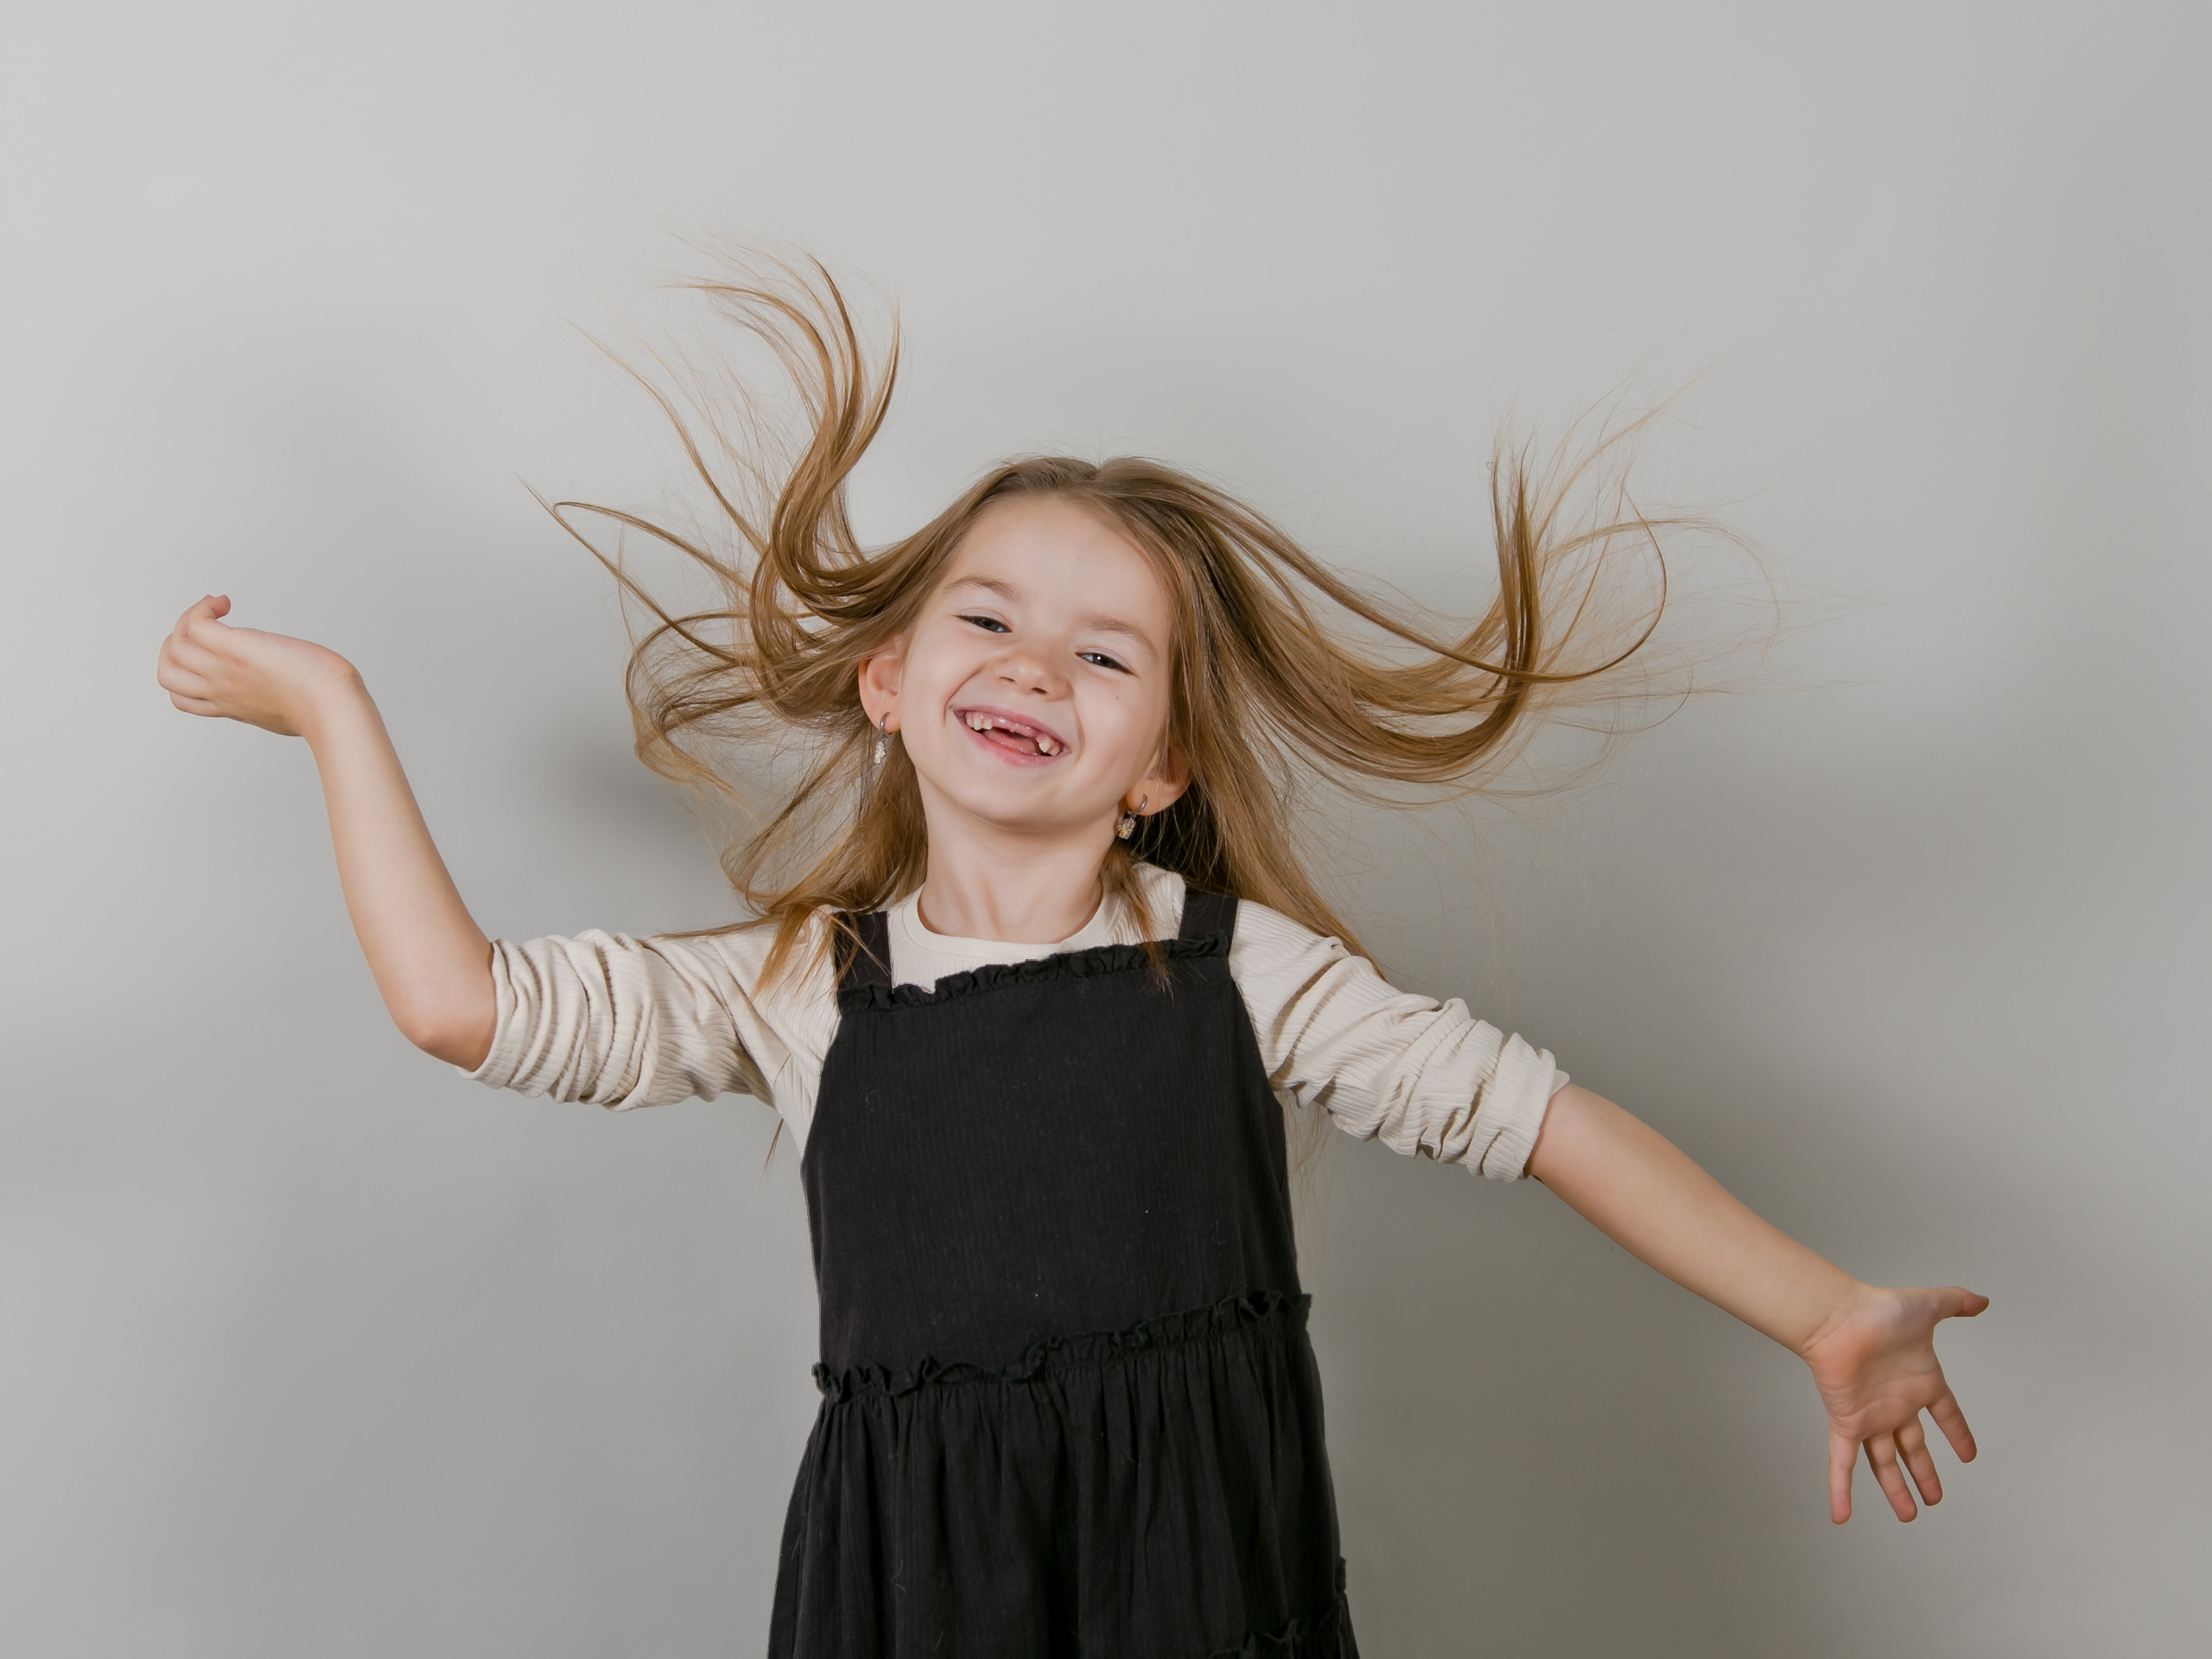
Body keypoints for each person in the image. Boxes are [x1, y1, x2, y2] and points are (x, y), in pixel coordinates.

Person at [154, 261, 1986, 1658]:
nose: (1037, 666)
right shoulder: (799, 988)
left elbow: (1547, 1122)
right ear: (888, 684)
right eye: (990, 619)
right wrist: (333, 710)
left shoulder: (1246, 973)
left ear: (1159, 768)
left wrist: (1821, 1312)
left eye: (1106, 656)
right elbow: (460, 1005)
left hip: (1204, 1587)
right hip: (909, 1601)